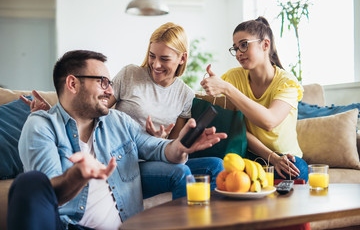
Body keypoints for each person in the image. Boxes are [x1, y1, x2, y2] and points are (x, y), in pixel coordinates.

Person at [10, 50, 227, 230]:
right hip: (68, 226)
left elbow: (159, 149)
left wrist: (179, 146)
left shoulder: (119, 121)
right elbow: (47, 196)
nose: (110, 90)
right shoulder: (42, 125)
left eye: (110, 83)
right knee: (28, 184)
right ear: (73, 84)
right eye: (102, 82)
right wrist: (76, 176)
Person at [23, 22, 225, 198]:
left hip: (154, 152)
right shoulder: (130, 75)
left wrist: (166, 141)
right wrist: (55, 114)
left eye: (164, 58)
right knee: (180, 171)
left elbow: (173, 145)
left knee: (215, 165)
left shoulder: (185, 94)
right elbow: (93, 108)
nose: (155, 64)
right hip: (123, 156)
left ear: (182, 59)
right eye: (152, 56)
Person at [200, 16, 308, 182]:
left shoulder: (288, 83)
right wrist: (211, 88)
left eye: (244, 45)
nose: (238, 54)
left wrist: (227, 89)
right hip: (250, 155)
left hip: (286, 159)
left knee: (297, 171)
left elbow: (269, 121)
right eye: (235, 48)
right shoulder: (233, 77)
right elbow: (237, 128)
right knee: (222, 172)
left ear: (265, 45)